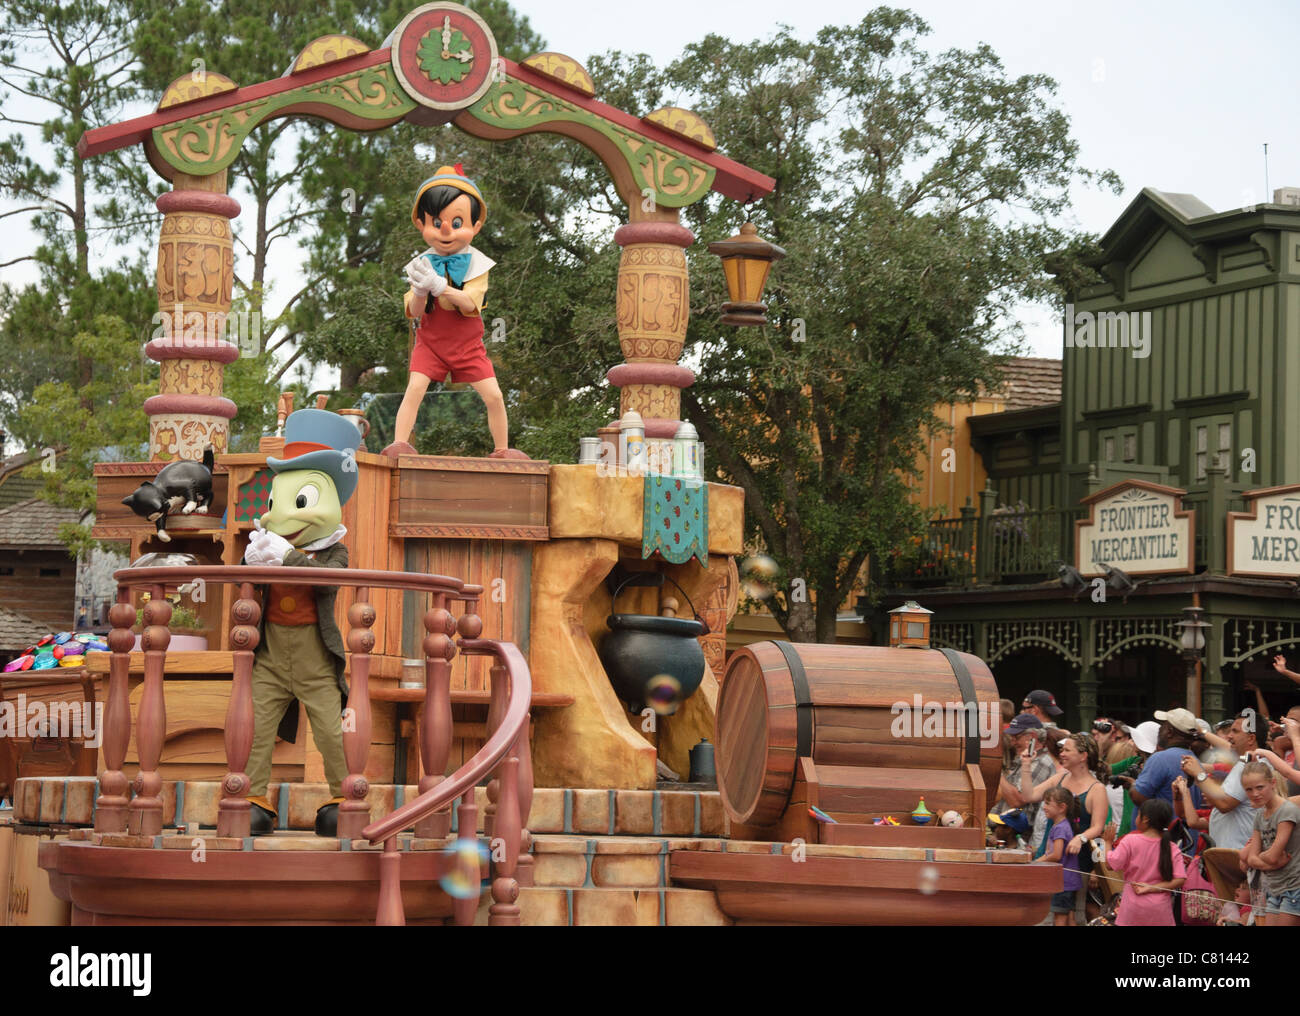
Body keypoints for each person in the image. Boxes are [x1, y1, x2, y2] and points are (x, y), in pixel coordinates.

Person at [384, 165, 524, 461]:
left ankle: (501, 451)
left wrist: (440, 287)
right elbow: (415, 312)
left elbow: (470, 304)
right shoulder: (420, 264)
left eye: (457, 222)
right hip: (431, 343)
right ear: (421, 225)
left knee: (495, 396)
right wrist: (421, 291)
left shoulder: (477, 264)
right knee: (416, 387)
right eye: (437, 222)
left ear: (476, 226)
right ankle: (399, 445)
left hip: (468, 345)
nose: (446, 230)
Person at [1181, 711, 1262, 902]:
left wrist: (1199, 774)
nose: (1229, 736)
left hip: (1240, 862)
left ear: (1251, 738)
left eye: (1234, 731)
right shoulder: (1245, 761)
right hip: (1235, 861)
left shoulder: (1251, 765)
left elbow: (1225, 803)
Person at [1019, 732, 1109, 873]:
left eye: (1067, 750)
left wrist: (1080, 838)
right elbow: (1028, 796)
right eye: (1062, 750)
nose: (1061, 754)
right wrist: (1026, 765)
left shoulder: (1097, 789)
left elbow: (1097, 827)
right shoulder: (1059, 778)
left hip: (1075, 864)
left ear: (1083, 756)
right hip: (1047, 856)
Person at [1102, 798, 1186, 926]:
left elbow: (1110, 865)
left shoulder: (1130, 840)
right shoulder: (1172, 847)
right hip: (1160, 910)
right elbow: (1180, 879)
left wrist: (1107, 842)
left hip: (1133, 909)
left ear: (1145, 819)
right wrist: (1152, 887)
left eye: (1138, 814)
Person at [1239, 759, 1300, 926]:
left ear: (1272, 783)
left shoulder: (1287, 811)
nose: (1255, 793)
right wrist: (1269, 861)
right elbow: (1251, 859)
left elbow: (1272, 856)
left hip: (1294, 887)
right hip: (1274, 887)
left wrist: (1263, 857)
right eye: (1249, 790)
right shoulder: (1260, 814)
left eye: (1260, 787)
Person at [997, 713, 1054, 842]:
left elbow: (1017, 801)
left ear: (1032, 737)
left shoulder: (1041, 763)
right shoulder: (1026, 759)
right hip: (1006, 834)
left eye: (1016, 737)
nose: (1013, 742)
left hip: (1016, 837)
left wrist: (996, 773)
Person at [1131, 708, 1204, 807]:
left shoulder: (1160, 758)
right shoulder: (1195, 760)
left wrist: (1132, 784)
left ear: (1169, 732)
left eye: (1163, 726)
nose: (1160, 730)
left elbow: (1138, 796)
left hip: (1162, 822)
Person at [1036, 785, 1084, 926]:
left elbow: (1056, 855)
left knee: (1060, 919)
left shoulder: (1060, 828)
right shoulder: (1061, 826)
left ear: (1062, 807)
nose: (1044, 807)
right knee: (1068, 917)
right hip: (1066, 882)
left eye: (1047, 803)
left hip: (1063, 883)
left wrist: (1038, 861)